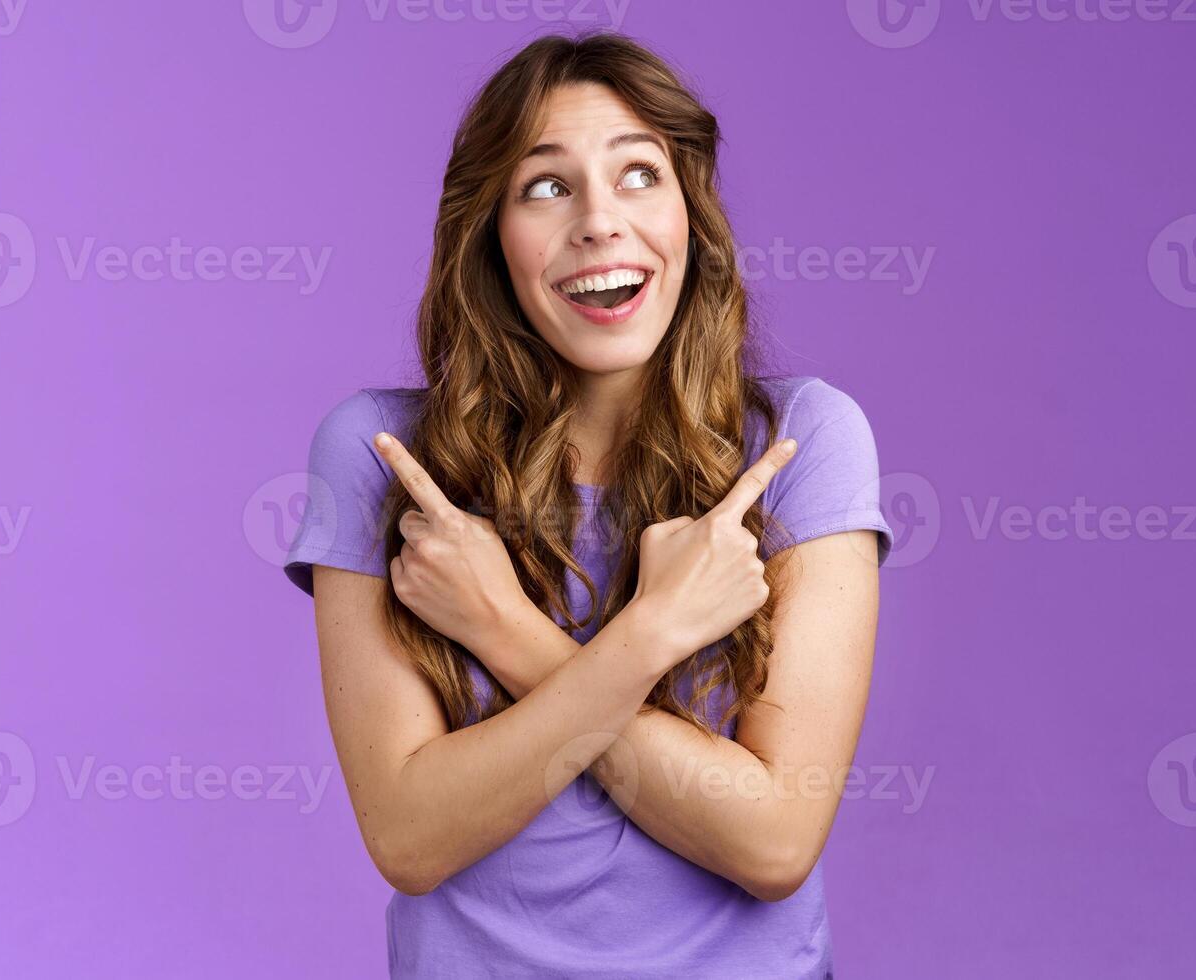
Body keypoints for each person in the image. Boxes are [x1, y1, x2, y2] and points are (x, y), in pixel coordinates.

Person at [282, 32, 892, 979]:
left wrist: (503, 627)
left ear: (692, 213)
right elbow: (409, 838)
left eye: (639, 174)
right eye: (547, 187)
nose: (600, 222)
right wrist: (653, 634)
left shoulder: (801, 443)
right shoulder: (384, 460)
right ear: (490, 232)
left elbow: (773, 842)